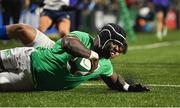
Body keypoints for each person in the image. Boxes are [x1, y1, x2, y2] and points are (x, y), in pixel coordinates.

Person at [0, 23, 150, 92]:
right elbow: (68, 42)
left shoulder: (106, 65)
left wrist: (128, 87)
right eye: (116, 45)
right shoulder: (84, 38)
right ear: (106, 37)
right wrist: (92, 55)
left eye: (120, 49)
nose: (117, 51)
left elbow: (115, 80)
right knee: (23, 30)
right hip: (28, 58)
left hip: (30, 82)